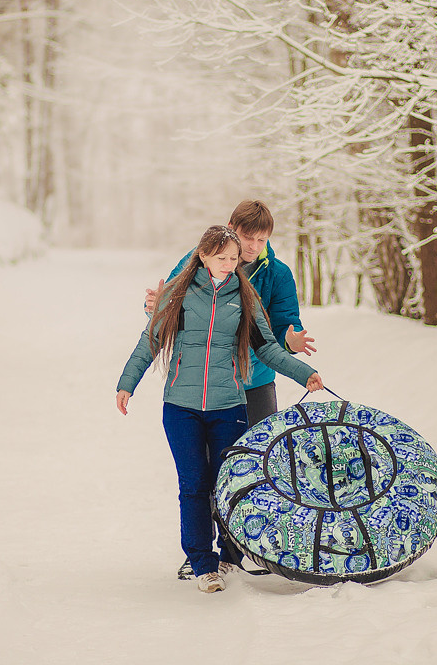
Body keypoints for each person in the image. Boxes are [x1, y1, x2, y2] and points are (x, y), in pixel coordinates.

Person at [117, 225, 324, 594]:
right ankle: (202, 564)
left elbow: (268, 348)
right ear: (203, 256)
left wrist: (304, 373)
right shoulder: (179, 295)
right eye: (221, 258)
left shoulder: (244, 298)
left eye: (233, 259)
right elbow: (149, 341)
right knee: (193, 485)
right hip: (181, 407)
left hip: (228, 406)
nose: (229, 265)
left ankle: (230, 556)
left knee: (228, 485)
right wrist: (126, 383)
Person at [145, 200, 316, 427]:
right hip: (207, 385)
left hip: (256, 383)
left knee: (261, 455)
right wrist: (157, 307)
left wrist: (289, 341)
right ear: (231, 227)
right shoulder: (199, 259)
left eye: (261, 239)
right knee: (214, 460)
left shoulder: (278, 274)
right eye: (248, 237)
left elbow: (284, 325)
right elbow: (172, 307)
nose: (254, 246)